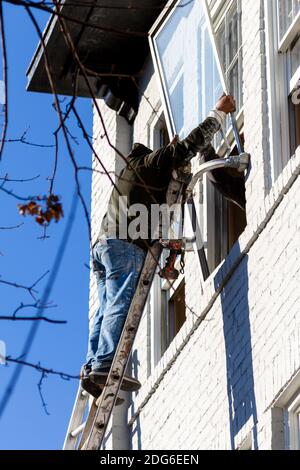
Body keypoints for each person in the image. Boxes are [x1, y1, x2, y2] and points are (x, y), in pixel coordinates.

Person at [81, 94, 243, 397]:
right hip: (124, 245)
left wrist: (169, 256)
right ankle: (105, 365)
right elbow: (186, 147)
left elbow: (159, 217)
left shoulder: (131, 176)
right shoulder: (153, 162)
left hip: (105, 246)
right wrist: (217, 115)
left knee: (104, 309)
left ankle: (93, 365)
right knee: (121, 304)